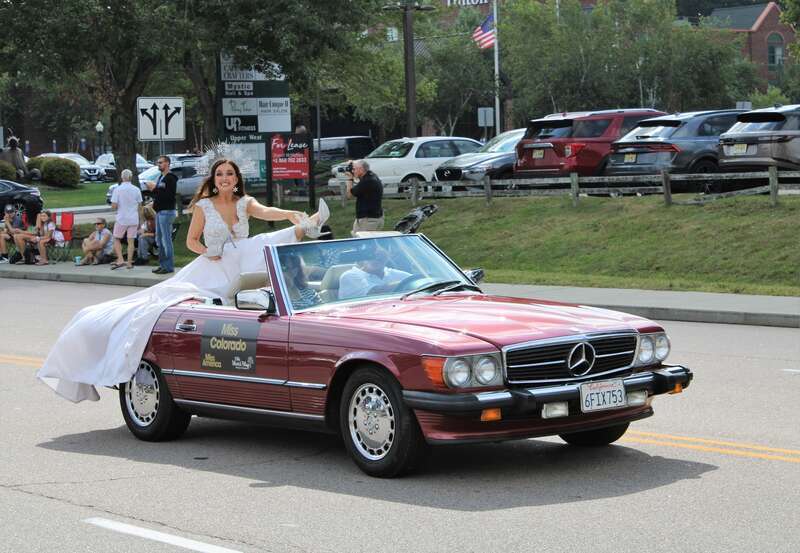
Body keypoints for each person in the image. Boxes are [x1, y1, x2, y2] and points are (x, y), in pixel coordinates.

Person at [38, 157, 329, 403]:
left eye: (230, 174)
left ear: (237, 179)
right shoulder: (204, 205)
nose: (225, 178)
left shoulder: (245, 202)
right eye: (220, 174)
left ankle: (308, 222)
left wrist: (290, 213)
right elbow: (191, 241)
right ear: (214, 179)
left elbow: (267, 213)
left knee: (263, 241)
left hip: (242, 255)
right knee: (159, 302)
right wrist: (207, 251)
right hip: (214, 264)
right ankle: (306, 225)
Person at [146, 155, 178, 274]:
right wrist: (153, 201)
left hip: (167, 212)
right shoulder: (161, 177)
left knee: (165, 240)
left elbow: (168, 195)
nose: (158, 164)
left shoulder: (170, 178)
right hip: (159, 212)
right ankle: (162, 264)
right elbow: (160, 195)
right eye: (157, 163)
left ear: (167, 163)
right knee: (159, 240)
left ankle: (168, 267)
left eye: (161, 162)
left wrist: (154, 189)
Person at [338, 247, 410, 300]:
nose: (376, 255)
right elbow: (375, 292)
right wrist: (407, 282)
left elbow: (419, 281)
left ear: (388, 255)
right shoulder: (349, 275)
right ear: (362, 257)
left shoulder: (391, 272)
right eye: (371, 254)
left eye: (380, 254)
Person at [110, 169, 143, 269]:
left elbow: (114, 206)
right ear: (131, 177)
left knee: (116, 238)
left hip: (122, 218)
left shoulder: (117, 189)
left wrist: (116, 206)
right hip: (133, 218)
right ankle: (129, 262)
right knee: (131, 241)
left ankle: (120, 259)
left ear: (122, 177)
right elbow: (140, 206)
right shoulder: (136, 189)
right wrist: (141, 222)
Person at [346, 159, 384, 236]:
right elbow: (362, 168)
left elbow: (349, 195)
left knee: (361, 243)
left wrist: (350, 179)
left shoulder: (367, 181)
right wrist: (352, 163)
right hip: (375, 217)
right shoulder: (372, 176)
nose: (352, 171)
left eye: (354, 169)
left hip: (368, 220)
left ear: (361, 169)